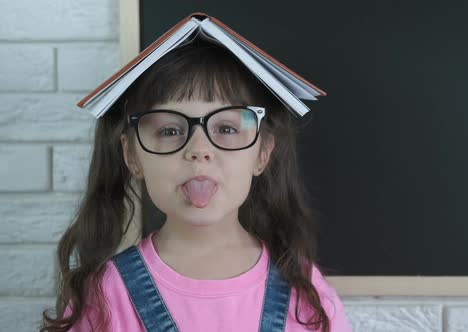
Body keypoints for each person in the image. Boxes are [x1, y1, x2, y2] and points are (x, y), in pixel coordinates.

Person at [40, 29, 352, 332]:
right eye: (170, 131)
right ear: (132, 155)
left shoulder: (307, 294)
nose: (199, 150)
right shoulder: (105, 297)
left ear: (262, 152)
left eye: (226, 129)